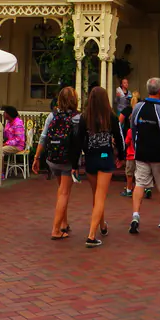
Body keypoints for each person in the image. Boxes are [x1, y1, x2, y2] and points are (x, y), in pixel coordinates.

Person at [77, 86, 125, 247]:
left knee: (96, 195)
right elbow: (119, 137)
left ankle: (102, 225)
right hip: (105, 156)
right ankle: (91, 235)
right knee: (101, 196)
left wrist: (77, 159)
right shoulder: (110, 116)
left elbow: (79, 140)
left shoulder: (85, 117)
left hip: (90, 157)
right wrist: (121, 156)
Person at [32, 86, 80, 240]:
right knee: (64, 192)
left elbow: (43, 137)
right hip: (67, 160)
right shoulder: (76, 117)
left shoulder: (52, 116)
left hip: (52, 159)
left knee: (61, 191)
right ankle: (55, 229)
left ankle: (64, 222)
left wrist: (37, 157)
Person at [128, 77, 160, 234]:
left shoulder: (138, 107)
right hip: (158, 155)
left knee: (139, 184)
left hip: (141, 152)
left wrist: (136, 147)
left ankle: (135, 215)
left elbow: (133, 129)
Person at [120, 94, 139, 198]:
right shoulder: (141, 131)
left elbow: (126, 143)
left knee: (129, 173)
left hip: (130, 155)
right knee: (139, 173)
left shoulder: (129, 131)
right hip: (139, 154)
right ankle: (142, 188)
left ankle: (128, 189)